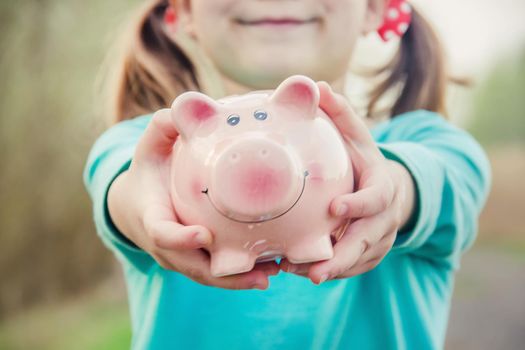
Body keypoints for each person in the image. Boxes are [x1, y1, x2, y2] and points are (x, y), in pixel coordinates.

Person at [83, 0, 491, 348]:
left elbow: (444, 182)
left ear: (374, 7)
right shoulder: (150, 149)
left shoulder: (430, 142)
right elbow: (123, 187)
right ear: (187, 9)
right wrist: (139, 207)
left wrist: (394, 194)